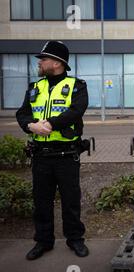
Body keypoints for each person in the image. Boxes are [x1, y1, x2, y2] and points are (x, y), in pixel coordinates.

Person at [16, 41, 89, 260]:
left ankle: (75, 239)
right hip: (40, 155)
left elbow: (76, 110)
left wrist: (48, 124)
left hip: (67, 155)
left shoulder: (77, 86)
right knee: (41, 202)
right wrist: (31, 126)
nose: (39, 62)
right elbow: (22, 114)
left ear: (57, 63)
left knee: (71, 201)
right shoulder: (34, 87)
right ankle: (43, 241)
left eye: (43, 59)